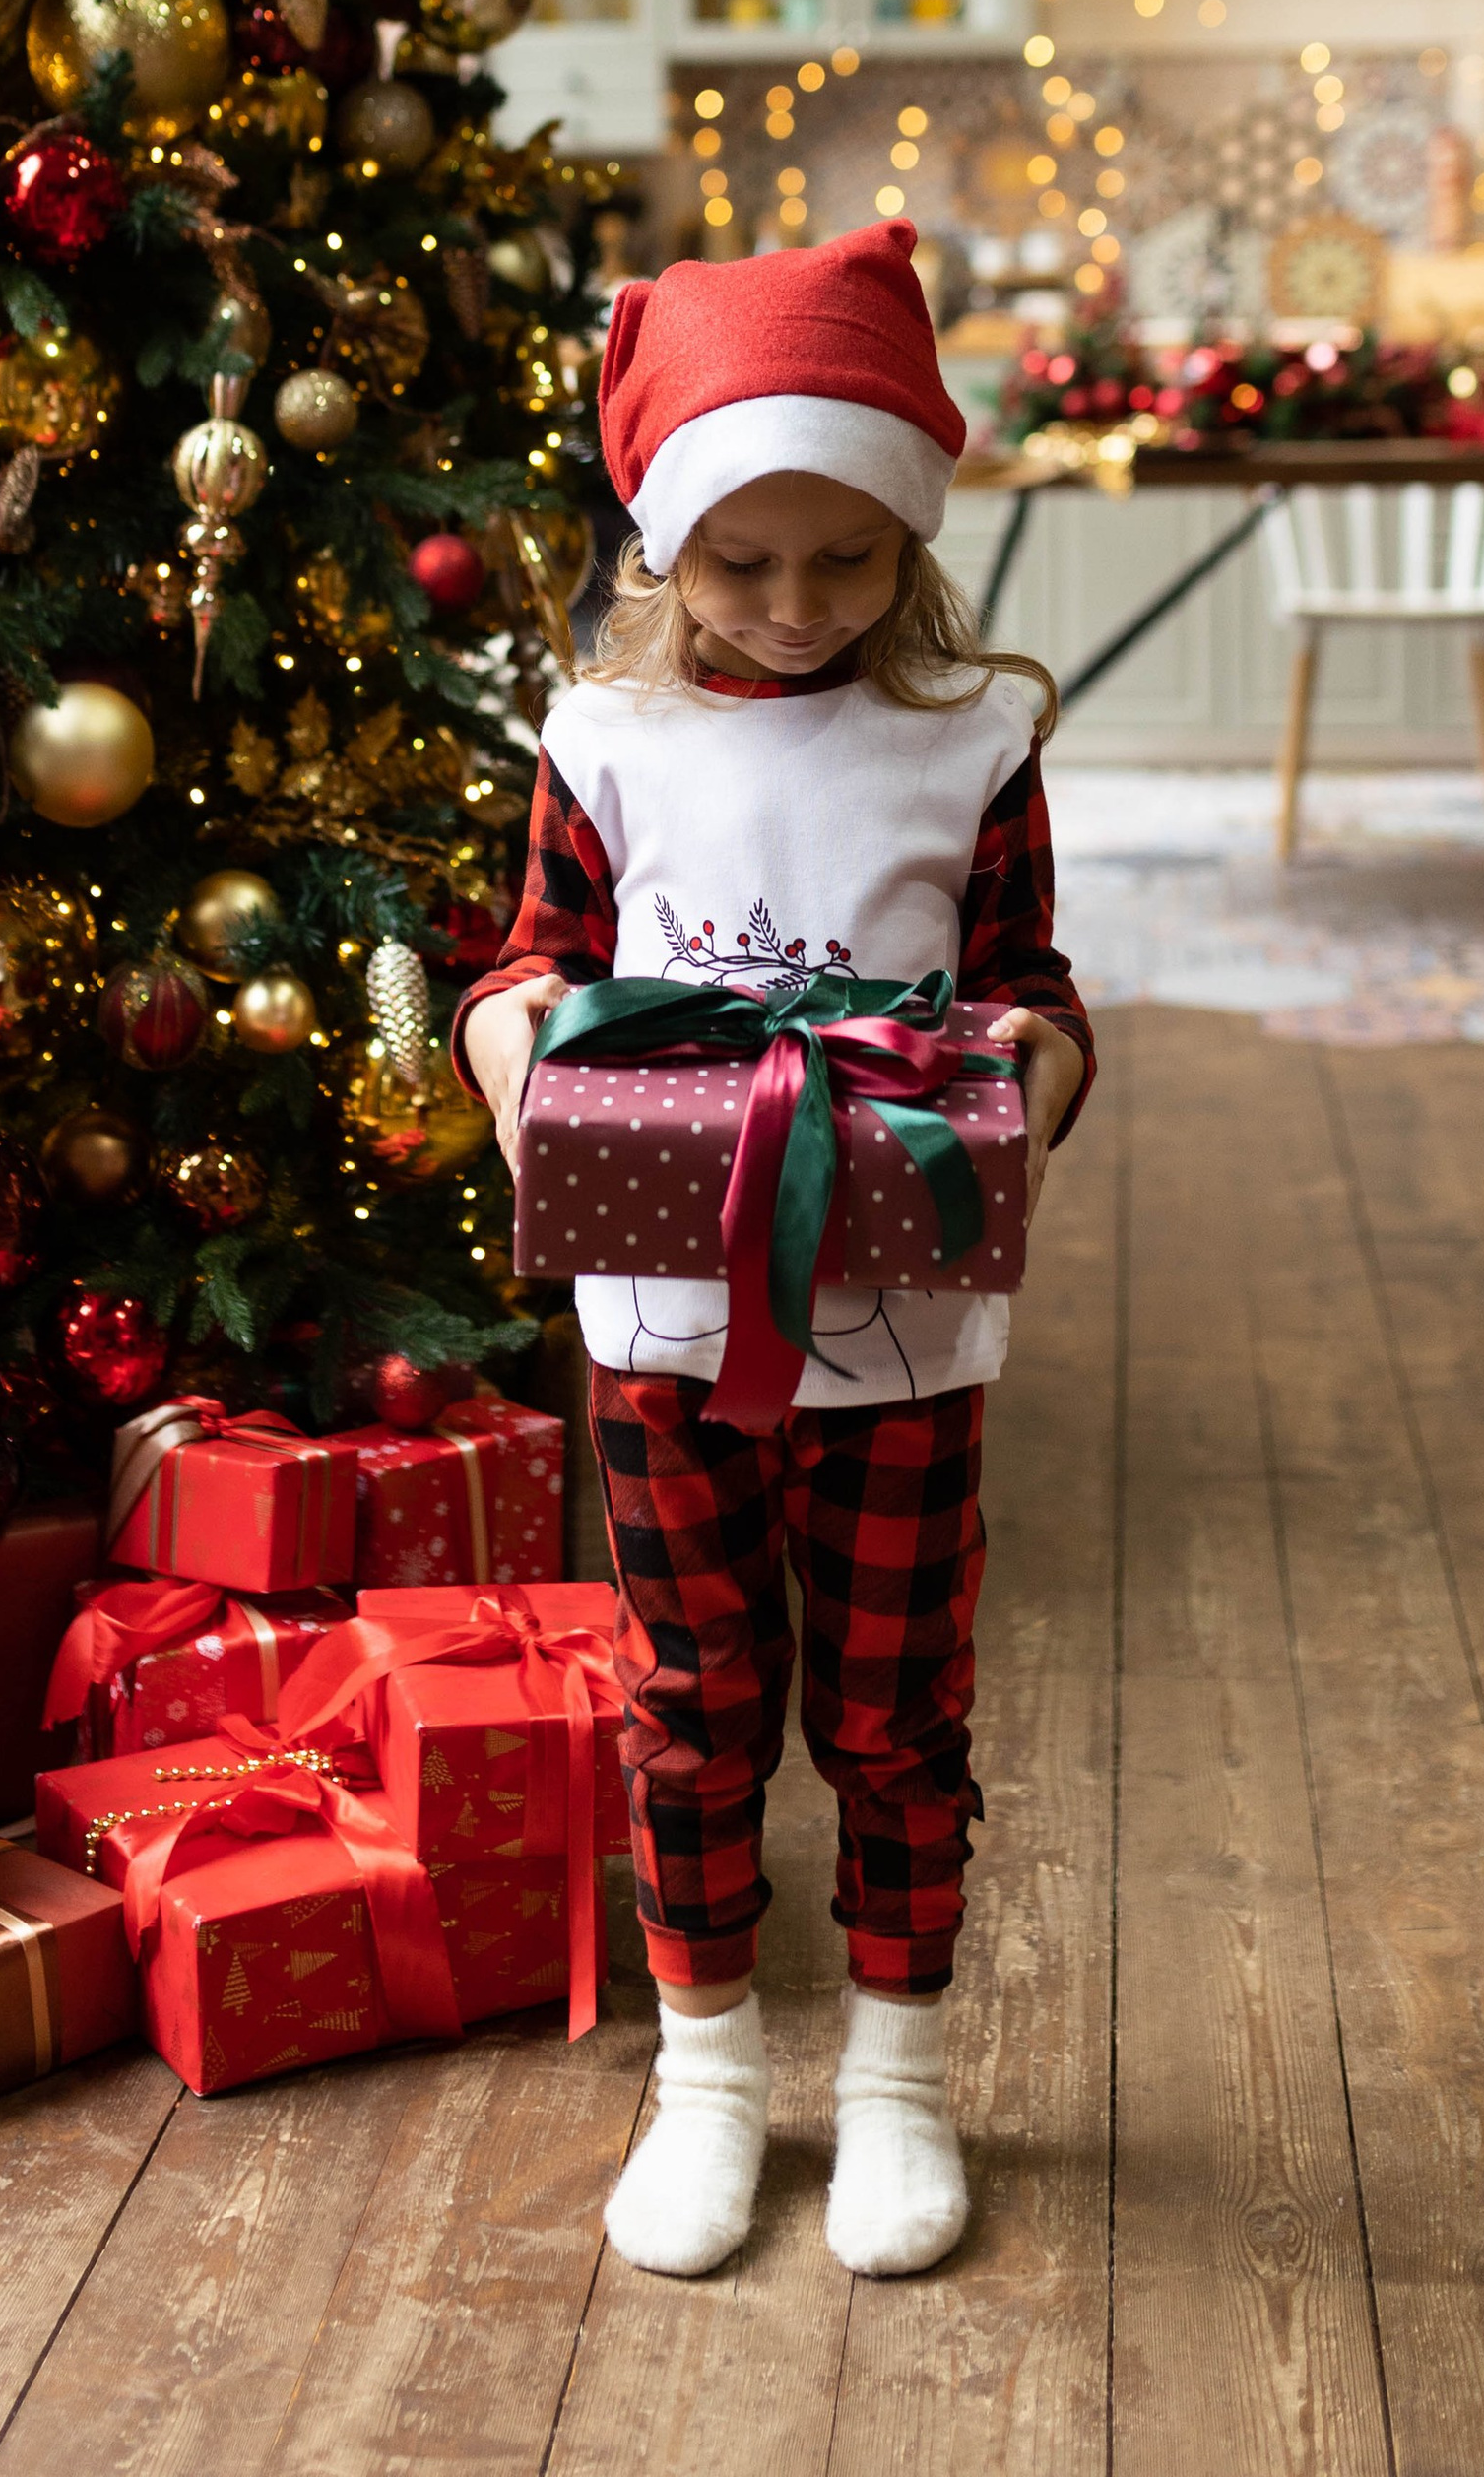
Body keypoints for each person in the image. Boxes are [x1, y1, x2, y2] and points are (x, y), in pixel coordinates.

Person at [458, 221, 1091, 2283]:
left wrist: (1023, 1078)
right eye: (743, 565)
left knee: (896, 1713)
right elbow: (531, 963)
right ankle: (708, 2076)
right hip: (656, 1318)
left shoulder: (970, 741)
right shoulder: (599, 739)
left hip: (900, 1322)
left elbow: (1030, 989)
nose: (796, 607)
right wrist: (521, 1057)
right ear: (660, 548)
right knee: (687, 1695)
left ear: (907, 543)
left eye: (846, 562)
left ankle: (900, 2084)